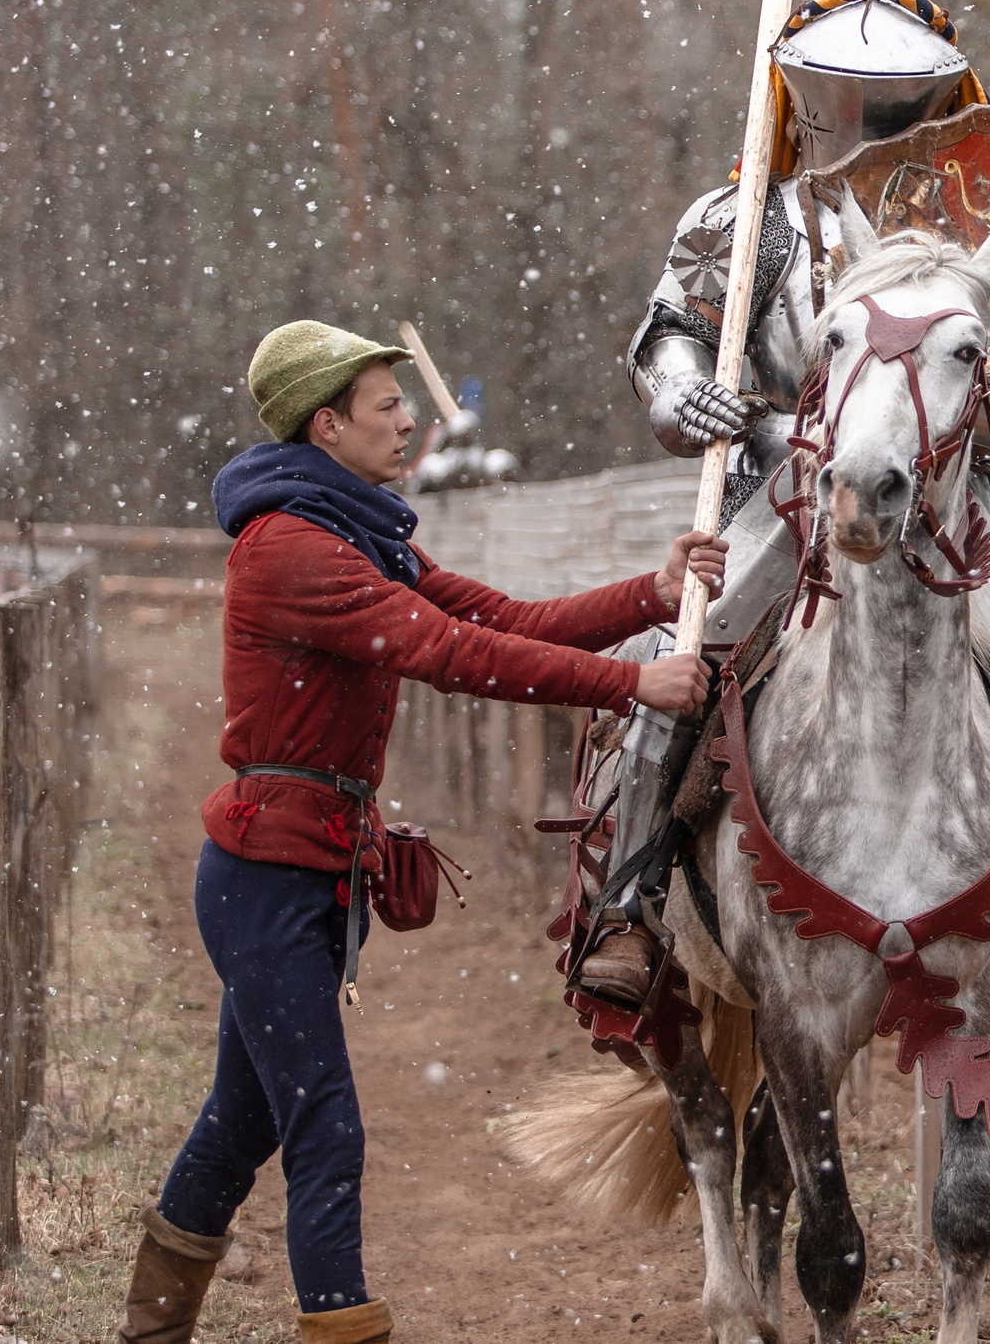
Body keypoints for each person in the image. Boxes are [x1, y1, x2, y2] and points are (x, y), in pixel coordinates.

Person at [114, 320, 726, 1344]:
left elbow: (497, 617)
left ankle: (149, 1328)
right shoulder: (292, 553)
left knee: (246, 1117)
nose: (410, 420)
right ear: (327, 425)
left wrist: (649, 598)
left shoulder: (361, 532)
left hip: (313, 872)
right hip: (266, 883)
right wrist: (635, 685)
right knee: (324, 1126)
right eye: (386, 405)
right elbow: (453, 654)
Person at [573, 0, 990, 1018]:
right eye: (845, 93)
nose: (866, 117)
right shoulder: (743, 219)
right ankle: (629, 905)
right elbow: (671, 335)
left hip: (947, 512)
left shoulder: (980, 231)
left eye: (893, 99)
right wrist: (684, 393)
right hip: (780, 494)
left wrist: (969, 417)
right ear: (801, 92)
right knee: (675, 670)